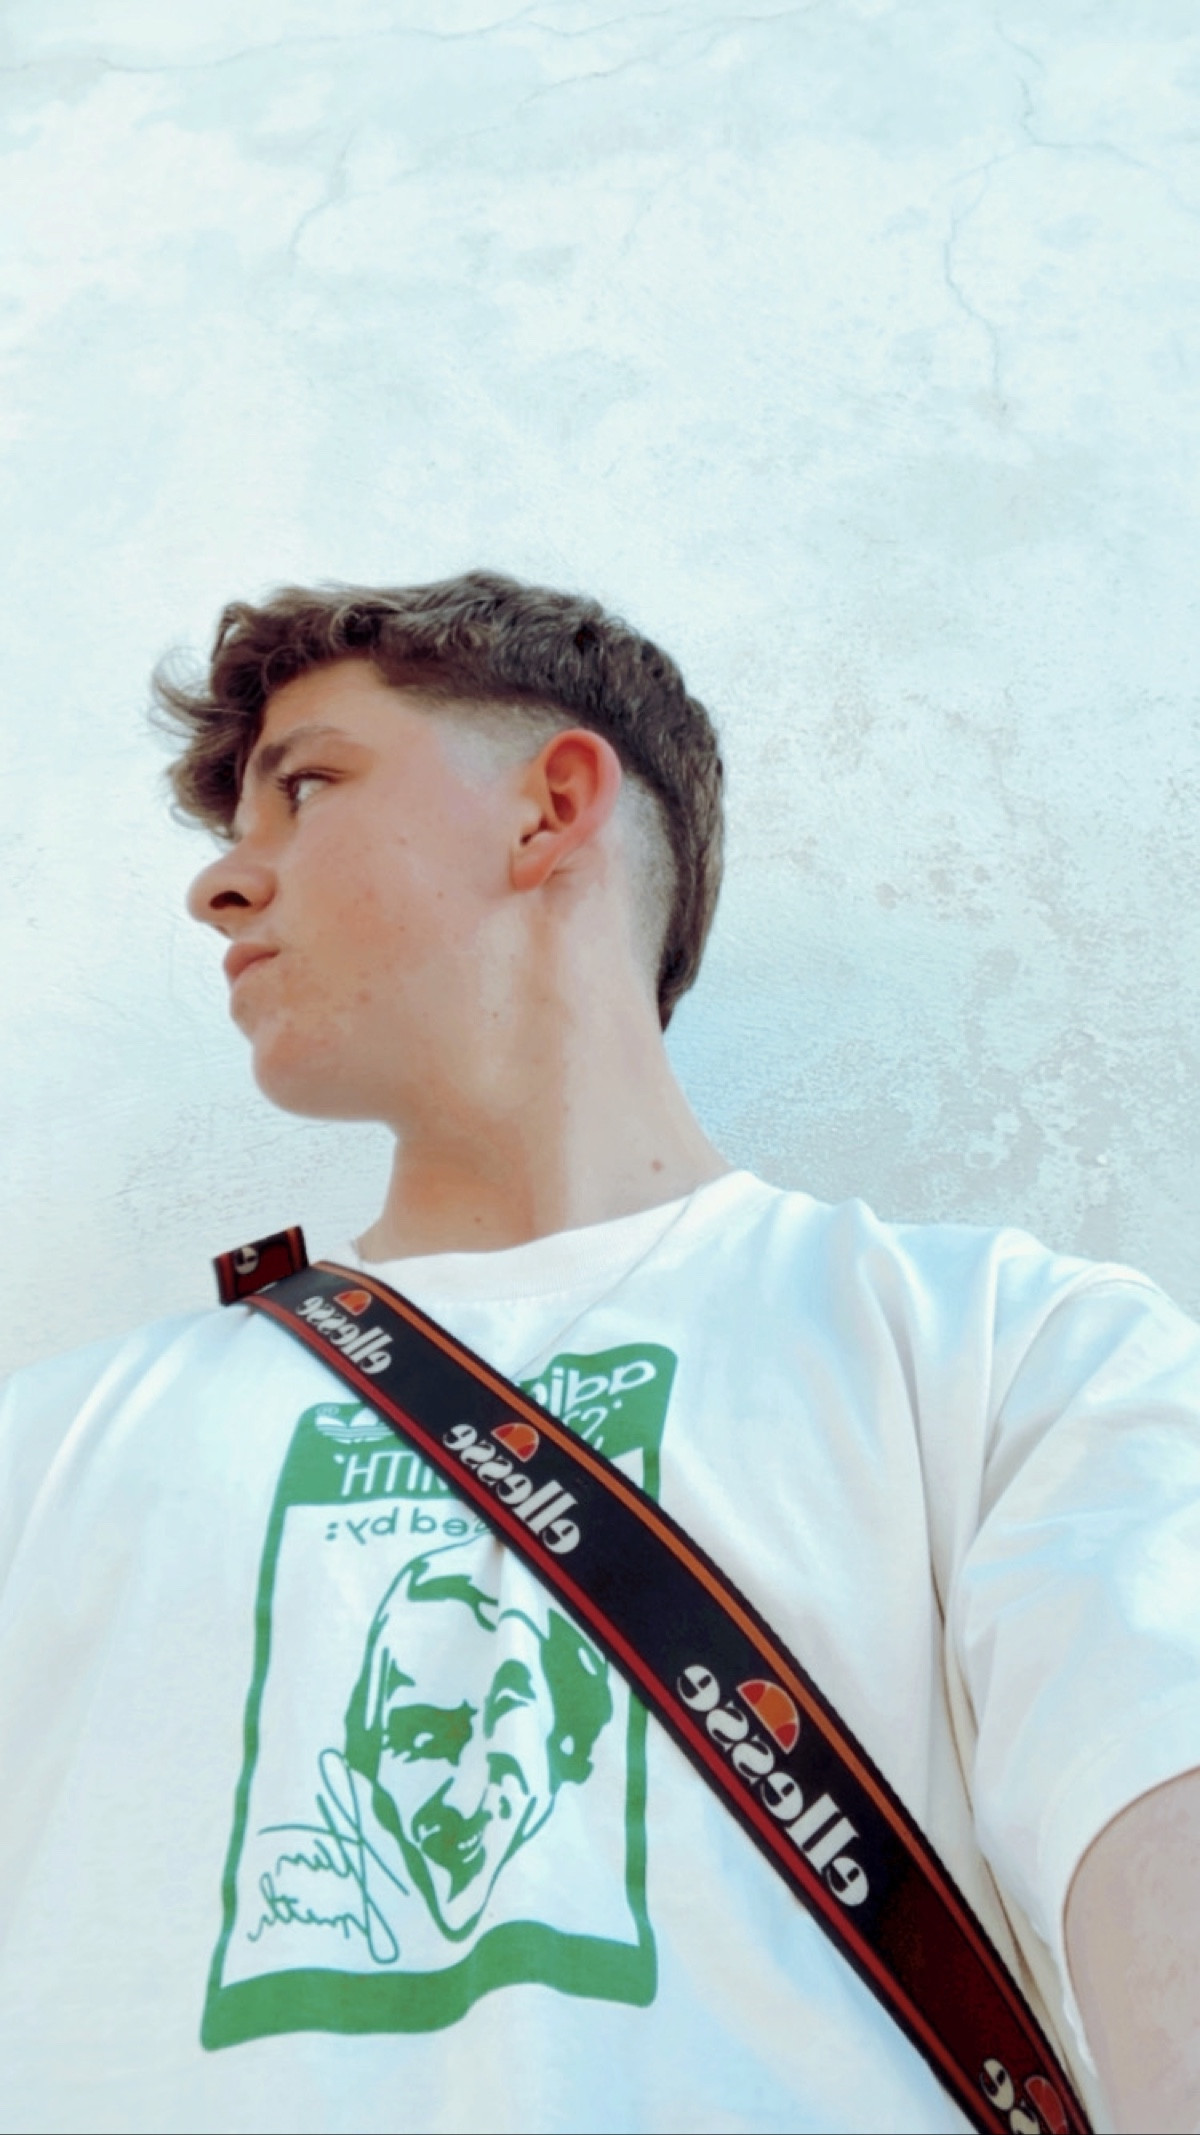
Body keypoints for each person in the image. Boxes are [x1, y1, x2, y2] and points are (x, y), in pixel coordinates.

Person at [1, 568, 1198, 2135]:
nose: (221, 885)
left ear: (552, 806)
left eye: (308, 788)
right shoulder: (51, 1450)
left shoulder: (1008, 1359)